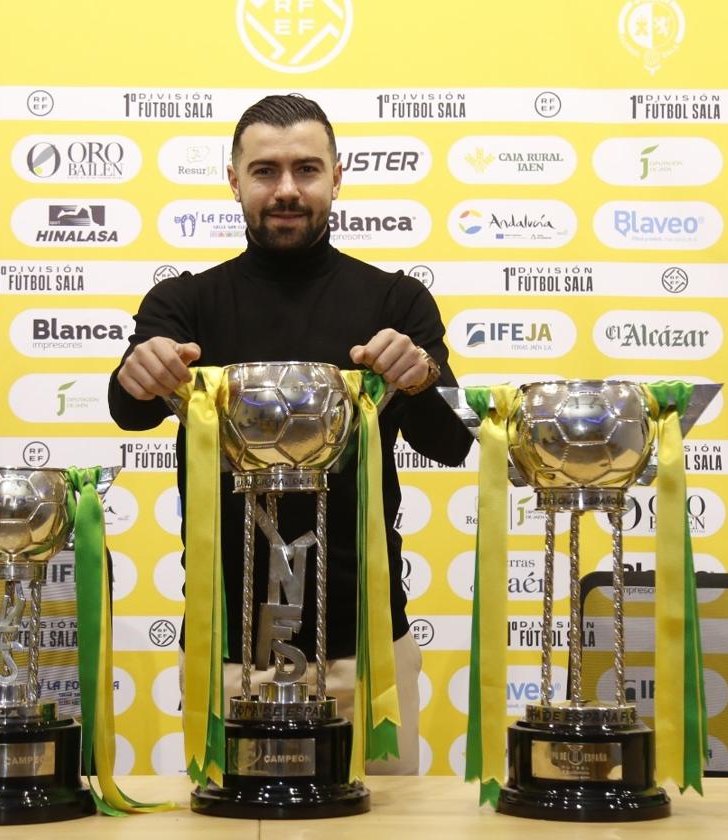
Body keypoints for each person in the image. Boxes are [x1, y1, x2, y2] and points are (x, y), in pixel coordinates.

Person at [108, 94, 473, 774]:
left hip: (366, 651)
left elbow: (451, 443)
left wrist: (420, 377)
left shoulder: (396, 303)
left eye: (306, 169)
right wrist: (140, 371)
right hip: (225, 652)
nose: (285, 190)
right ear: (233, 180)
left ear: (337, 177)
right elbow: (127, 408)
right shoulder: (183, 303)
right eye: (264, 171)